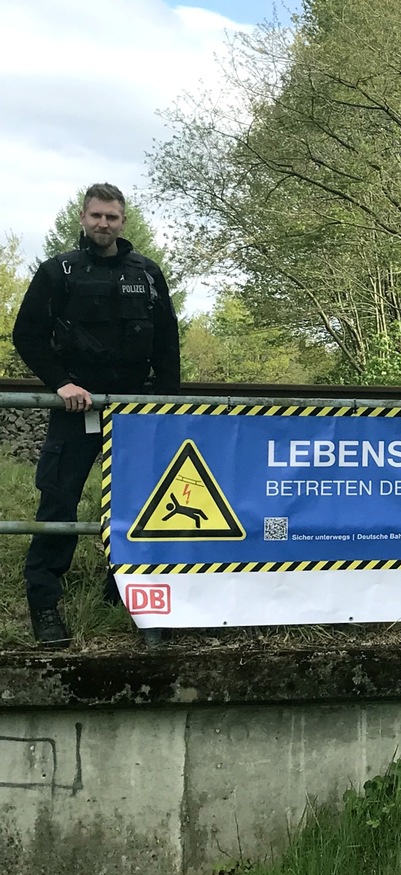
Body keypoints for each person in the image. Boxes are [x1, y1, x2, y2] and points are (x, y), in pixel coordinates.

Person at [13, 183, 180, 647]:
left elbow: (167, 345)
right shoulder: (58, 271)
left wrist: (163, 407)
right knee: (58, 505)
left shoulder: (147, 274)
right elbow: (26, 336)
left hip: (135, 414)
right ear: (82, 219)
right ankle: (45, 604)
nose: (103, 224)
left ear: (123, 221)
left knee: (138, 509)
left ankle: (129, 597)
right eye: (96, 216)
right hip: (75, 410)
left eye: (112, 217)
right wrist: (60, 383)